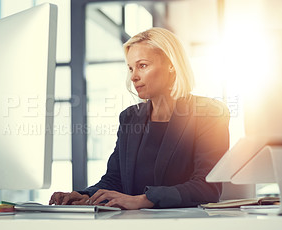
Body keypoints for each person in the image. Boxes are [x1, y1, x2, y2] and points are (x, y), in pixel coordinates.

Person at [49, 27, 230, 210]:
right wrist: (84, 195)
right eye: (130, 68)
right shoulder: (130, 117)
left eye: (142, 65)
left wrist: (143, 200)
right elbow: (115, 180)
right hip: (134, 223)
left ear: (171, 65)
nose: (134, 77)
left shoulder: (209, 113)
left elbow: (207, 187)